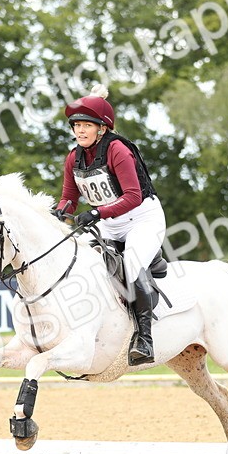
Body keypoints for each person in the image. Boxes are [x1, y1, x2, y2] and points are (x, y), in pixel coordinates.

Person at [54, 84, 166, 366]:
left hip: (142, 218)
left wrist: (97, 213)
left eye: (86, 126)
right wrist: (58, 213)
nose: (79, 131)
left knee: (130, 263)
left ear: (101, 129)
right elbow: (69, 198)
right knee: (81, 263)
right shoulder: (73, 157)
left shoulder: (117, 150)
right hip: (109, 223)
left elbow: (133, 196)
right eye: (76, 125)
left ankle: (144, 338)